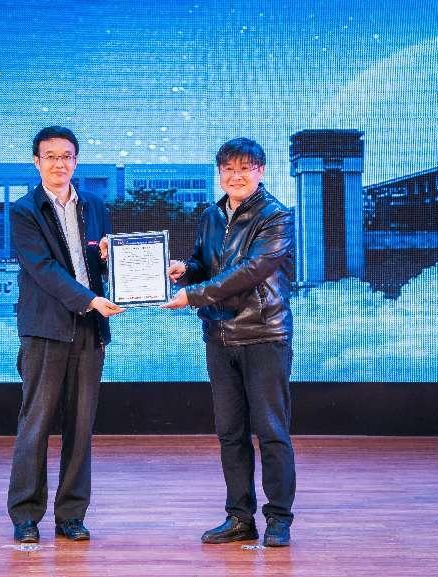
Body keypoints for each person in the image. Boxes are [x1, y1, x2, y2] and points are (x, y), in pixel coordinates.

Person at [163, 137, 296, 547]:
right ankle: (240, 517)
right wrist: (185, 270)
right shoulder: (211, 214)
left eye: (245, 168)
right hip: (219, 336)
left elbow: (250, 270)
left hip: (263, 334)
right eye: (228, 169)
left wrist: (194, 295)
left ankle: (279, 518)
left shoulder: (276, 216)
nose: (236, 176)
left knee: (271, 431)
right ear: (220, 173)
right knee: (230, 433)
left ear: (261, 171)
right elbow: (207, 263)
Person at [7, 126, 124, 543]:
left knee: (81, 426)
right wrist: (89, 299)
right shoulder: (24, 210)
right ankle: (25, 516)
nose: (59, 163)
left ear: (76, 161)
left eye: (67, 156)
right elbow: (43, 269)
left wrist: (110, 260)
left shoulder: (94, 205)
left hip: (89, 330)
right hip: (45, 330)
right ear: (36, 162)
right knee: (35, 424)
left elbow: (100, 265)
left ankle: (71, 515)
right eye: (51, 156)